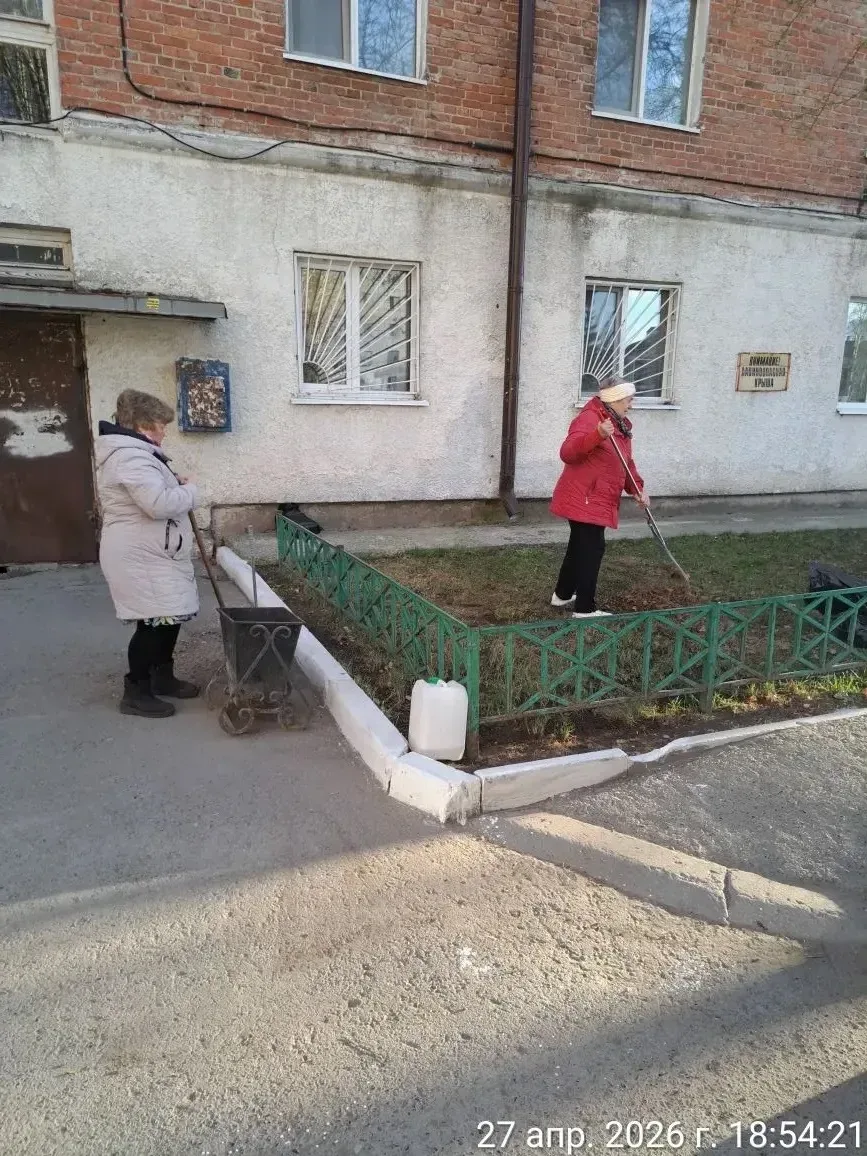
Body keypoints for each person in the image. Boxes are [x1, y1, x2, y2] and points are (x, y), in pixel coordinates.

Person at [95, 389, 201, 718]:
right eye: (161, 424)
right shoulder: (130, 456)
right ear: (142, 425)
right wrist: (191, 490)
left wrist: (174, 483)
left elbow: (152, 492)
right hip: (140, 555)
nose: (164, 431)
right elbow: (157, 504)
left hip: (153, 552)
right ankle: (136, 691)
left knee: (168, 617)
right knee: (154, 623)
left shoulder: (138, 453)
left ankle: (162, 677)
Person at [550, 377, 649, 618]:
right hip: (585, 496)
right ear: (615, 399)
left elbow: (625, 462)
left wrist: (637, 489)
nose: (631, 405)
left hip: (595, 497)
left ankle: (562, 595)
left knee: (579, 546)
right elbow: (567, 452)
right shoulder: (590, 418)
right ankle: (585, 609)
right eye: (628, 400)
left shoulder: (619, 424)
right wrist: (597, 434)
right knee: (592, 548)